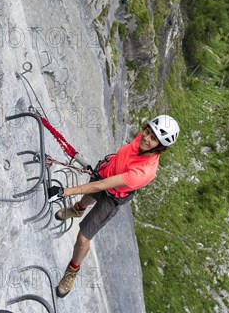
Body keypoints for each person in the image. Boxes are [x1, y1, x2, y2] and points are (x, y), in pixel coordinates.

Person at [47, 114, 180, 298]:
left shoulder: (143, 172)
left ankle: (71, 272)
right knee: (88, 197)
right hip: (105, 172)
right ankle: (77, 210)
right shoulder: (142, 141)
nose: (146, 138)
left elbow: (102, 186)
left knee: (83, 238)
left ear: (160, 147)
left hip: (112, 198)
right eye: (148, 131)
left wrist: (64, 191)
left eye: (153, 138)